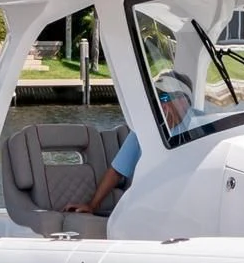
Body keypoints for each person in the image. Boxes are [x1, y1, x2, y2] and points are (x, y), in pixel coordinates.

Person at [73, 73, 194, 217]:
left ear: (183, 100)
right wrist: (92, 205)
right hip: (154, 204)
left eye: (164, 97)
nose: (159, 104)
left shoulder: (206, 125)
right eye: (156, 98)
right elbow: (116, 171)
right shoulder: (144, 130)